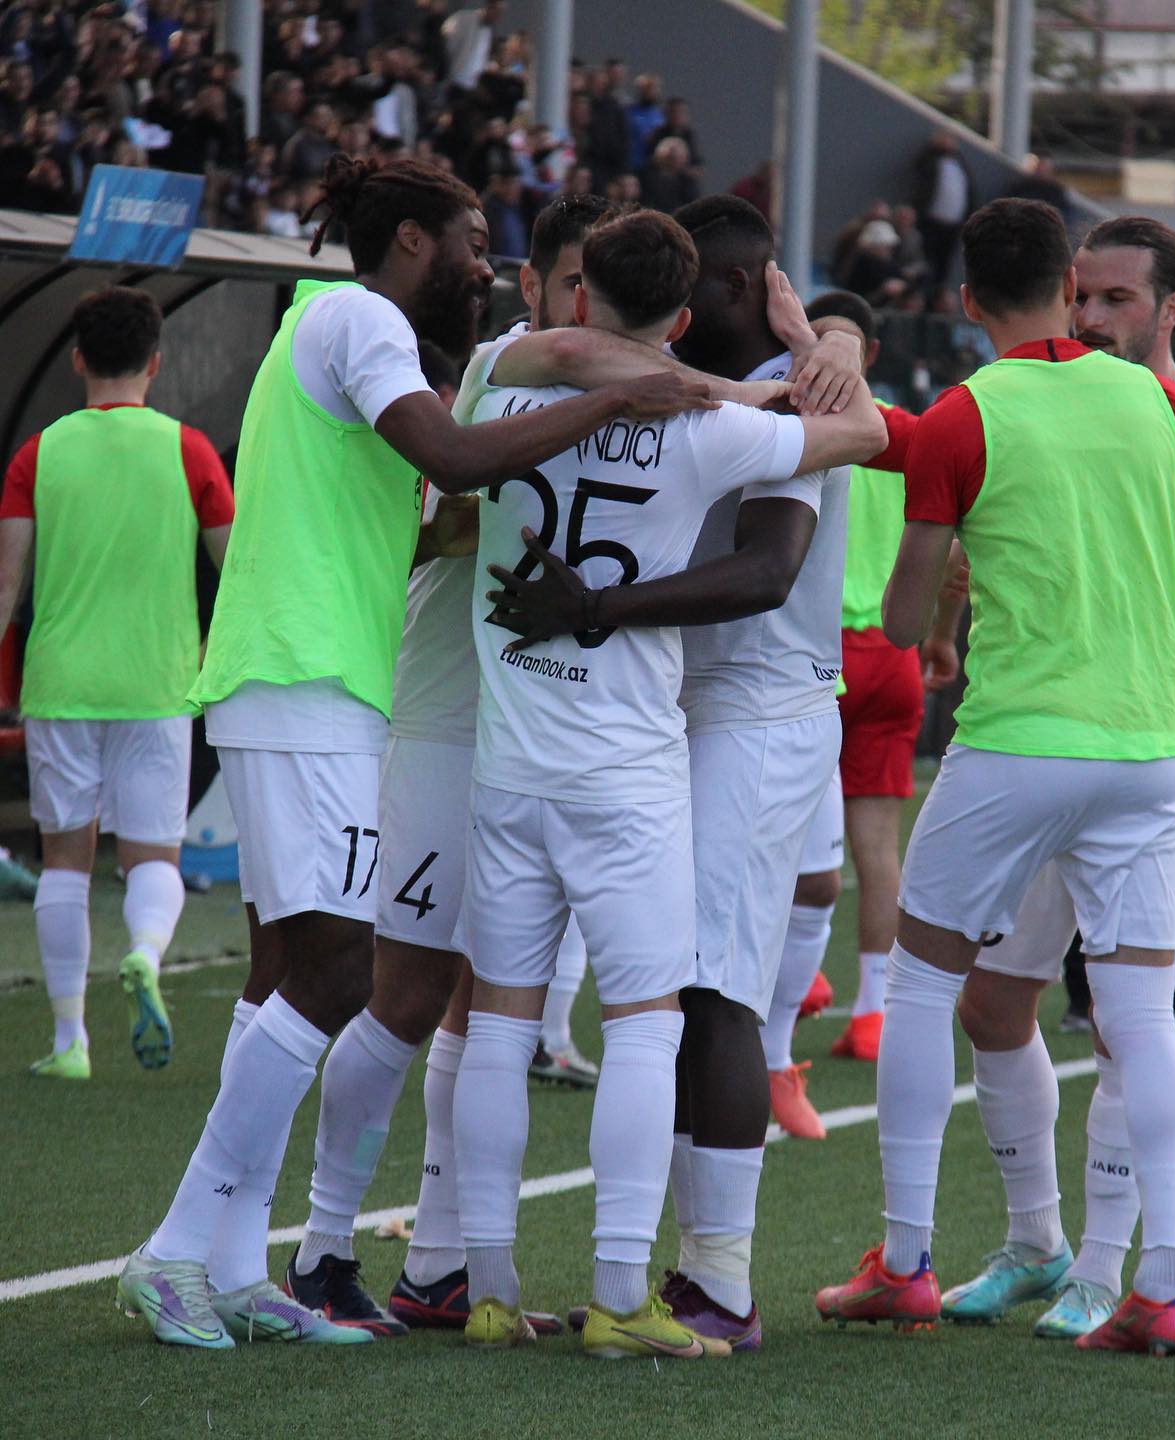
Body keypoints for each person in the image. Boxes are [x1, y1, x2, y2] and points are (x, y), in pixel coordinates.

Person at [114, 155, 705, 1352]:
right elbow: (458, 460)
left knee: (287, 975)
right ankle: (175, 1248)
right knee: (342, 976)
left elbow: (427, 516)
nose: (488, 265)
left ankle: (236, 1265)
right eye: (476, 241)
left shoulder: (334, 331)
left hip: (308, 682)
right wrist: (620, 404)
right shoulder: (362, 318)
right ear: (414, 242)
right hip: (311, 682)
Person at [812, 198, 1175, 1358]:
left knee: (922, 985)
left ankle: (906, 1260)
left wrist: (951, 586)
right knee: (1140, 1017)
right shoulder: (1167, 406)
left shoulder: (964, 415)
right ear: (1070, 289)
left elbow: (902, 618)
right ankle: (1163, 1286)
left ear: (966, 303)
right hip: (1153, 748)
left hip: (1018, 742)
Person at [450, 206, 885, 1357]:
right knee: (661, 1013)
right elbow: (868, 436)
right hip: (640, 734)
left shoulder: (514, 388)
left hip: (738, 712)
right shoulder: (738, 418)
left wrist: (820, 348)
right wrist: (819, 347)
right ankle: (640, 1287)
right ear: (694, 305)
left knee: (695, 997)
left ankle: (694, 1280)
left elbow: (769, 569)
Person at [932, 215, 1175, 1341]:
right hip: (1038, 744)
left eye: (1119, 299)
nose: (1090, 316)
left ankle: (1107, 1270)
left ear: (1174, 308)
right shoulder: (1038, 401)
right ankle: (1035, 1243)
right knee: (993, 1002)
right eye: (1082, 295)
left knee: (1123, 1018)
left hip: (1154, 757)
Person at [284, 196, 614, 1338]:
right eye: (571, 282)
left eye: (606, 289)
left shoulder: (626, 392)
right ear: (534, 286)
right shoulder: (492, 374)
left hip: (533, 742)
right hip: (440, 727)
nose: (588, 310)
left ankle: (437, 1269)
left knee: (487, 1001)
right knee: (406, 994)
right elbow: (449, 511)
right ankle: (321, 1246)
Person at [0, 286, 234, 1081]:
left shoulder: (36, 455)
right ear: (155, 364)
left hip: (61, 682)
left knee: (65, 860)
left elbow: (6, 585)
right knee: (153, 854)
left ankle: (70, 1042)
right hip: (159, 682)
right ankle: (145, 952)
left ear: (76, 361)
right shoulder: (190, 451)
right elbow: (236, 569)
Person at [761, 291, 961, 1106]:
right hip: (893, 651)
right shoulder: (900, 430)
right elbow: (954, 553)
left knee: (779, 836)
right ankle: (872, 1010)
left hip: (814, 652)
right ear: (872, 353)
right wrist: (942, 632)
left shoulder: (799, 415)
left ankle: (787, 978)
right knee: (878, 845)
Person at [912, 128, 971, 292]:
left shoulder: (958, 163)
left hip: (953, 224)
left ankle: (937, 294)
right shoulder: (931, 160)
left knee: (943, 265)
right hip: (931, 220)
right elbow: (920, 166)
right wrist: (934, 147)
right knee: (925, 261)